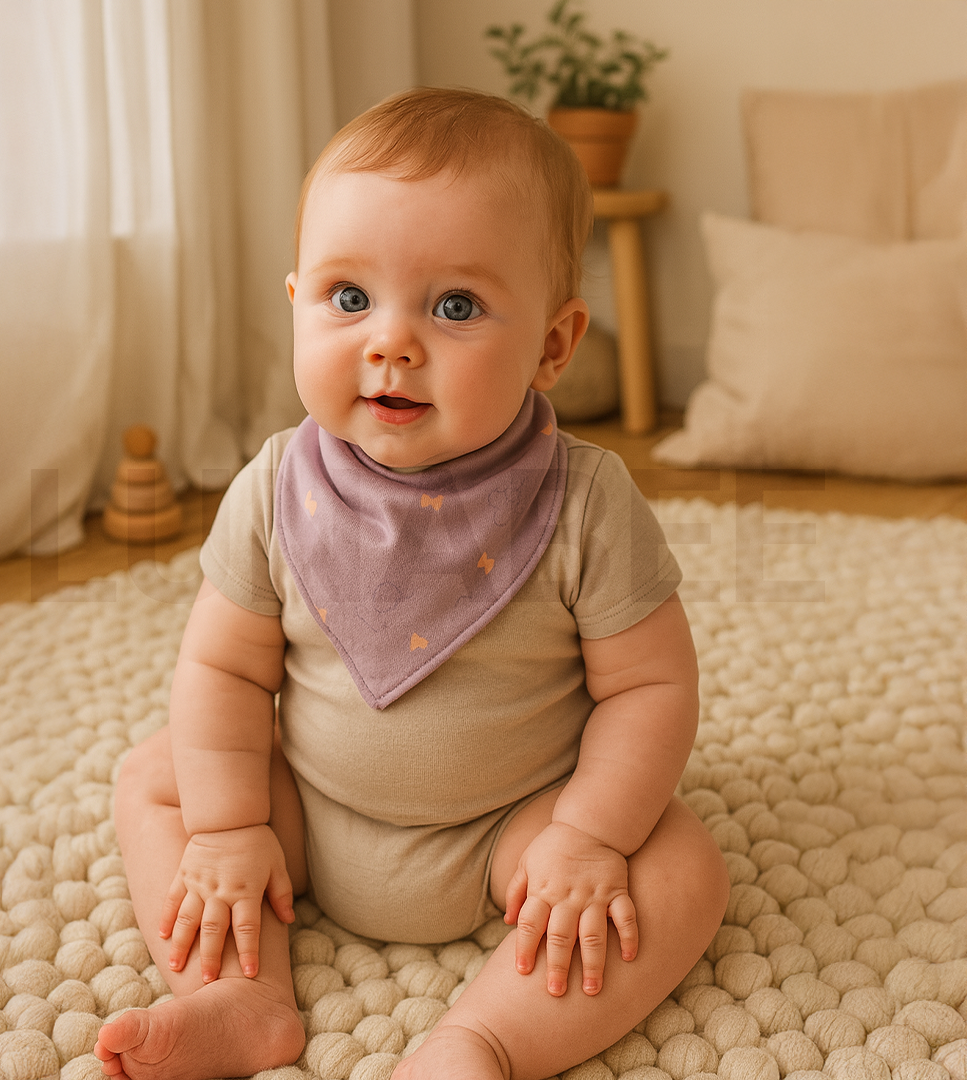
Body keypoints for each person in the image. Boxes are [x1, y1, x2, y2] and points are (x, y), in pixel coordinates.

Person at [94, 87, 729, 1080]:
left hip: (516, 830)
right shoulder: (274, 489)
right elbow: (221, 668)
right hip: (305, 808)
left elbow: (650, 689)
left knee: (682, 865)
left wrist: (589, 837)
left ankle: (481, 1041)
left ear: (554, 346)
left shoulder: (587, 504)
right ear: (298, 304)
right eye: (351, 299)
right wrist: (226, 828)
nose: (391, 341)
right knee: (154, 776)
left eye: (455, 306)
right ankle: (240, 998)